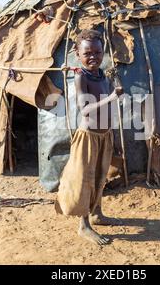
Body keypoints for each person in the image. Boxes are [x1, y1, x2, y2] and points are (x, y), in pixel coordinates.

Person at [55, 30, 124, 245]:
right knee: (85, 179)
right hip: (89, 136)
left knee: (100, 176)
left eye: (98, 52)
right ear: (77, 53)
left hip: (105, 134)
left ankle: (97, 214)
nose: (93, 57)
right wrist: (111, 97)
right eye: (88, 53)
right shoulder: (80, 76)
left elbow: (112, 93)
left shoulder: (102, 75)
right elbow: (85, 109)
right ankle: (83, 226)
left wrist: (114, 81)